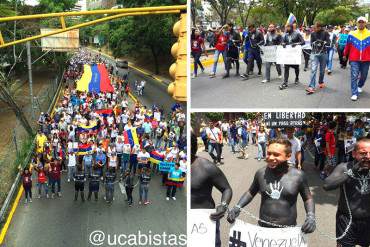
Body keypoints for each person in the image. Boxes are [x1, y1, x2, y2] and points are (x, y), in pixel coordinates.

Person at [227, 139, 316, 235]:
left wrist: (310, 216)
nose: (270, 157)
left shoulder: (298, 176)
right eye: (269, 153)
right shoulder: (261, 173)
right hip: (263, 229)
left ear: (288, 156)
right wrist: (237, 207)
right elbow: (250, 192)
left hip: (288, 231)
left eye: (276, 154)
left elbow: (308, 198)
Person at [323, 138, 370, 247]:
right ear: (354, 154)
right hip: (346, 220)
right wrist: (352, 171)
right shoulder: (344, 167)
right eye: (363, 153)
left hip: (367, 220)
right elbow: (327, 185)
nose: (367, 157)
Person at [191, 132, 232, 247]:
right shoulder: (177, 164)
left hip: (205, 222)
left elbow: (226, 189)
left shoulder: (207, 167)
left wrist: (223, 205)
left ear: (193, 146)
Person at [343, 16, 370, 101]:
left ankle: (360, 85)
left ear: (365, 23)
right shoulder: (352, 34)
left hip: (366, 59)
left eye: (362, 22)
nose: (361, 24)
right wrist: (345, 54)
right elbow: (348, 45)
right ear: (357, 23)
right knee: (354, 76)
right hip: (354, 59)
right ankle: (354, 93)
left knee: (364, 75)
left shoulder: (369, 33)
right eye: (359, 22)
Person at [306, 22, 330, 94]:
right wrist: (315, 43)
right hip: (315, 53)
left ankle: (320, 81)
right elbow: (311, 43)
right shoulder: (313, 34)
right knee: (313, 70)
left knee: (322, 70)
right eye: (313, 28)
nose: (314, 29)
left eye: (315, 27)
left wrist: (324, 42)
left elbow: (329, 42)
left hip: (323, 53)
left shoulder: (325, 33)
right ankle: (311, 87)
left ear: (319, 27)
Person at [279, 24, 305, 90]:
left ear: (291, 28)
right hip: (288, 55)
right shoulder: (286, 35)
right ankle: (285, 82)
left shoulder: (297, 34)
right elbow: (282, 42)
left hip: (295, 55)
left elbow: (303, 42)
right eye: (286, 27)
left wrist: (296, 44)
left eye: (287, 27)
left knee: (296, 67)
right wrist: (283, 44)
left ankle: (297, 77)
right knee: (286, 67)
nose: (286, 28)